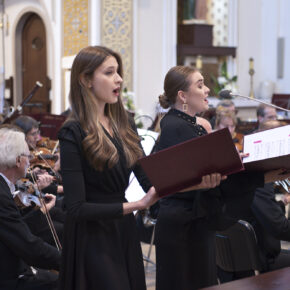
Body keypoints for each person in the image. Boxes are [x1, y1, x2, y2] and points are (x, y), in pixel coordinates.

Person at [155, 65, 290, 290]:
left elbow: (207, 173)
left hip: (192, 224)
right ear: (183, 96)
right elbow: (200, 179)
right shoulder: (178, 127)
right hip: (184, 229)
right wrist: (259, 177)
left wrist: (232, 162)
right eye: (200, 85)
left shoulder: (185, 125)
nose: (207, 90)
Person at [57, 45, 160, 290]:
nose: (119, 79)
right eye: (110, 72)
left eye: (118, 72)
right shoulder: (72, 131)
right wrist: (137, 205)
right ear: (86, 79)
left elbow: (149, 178)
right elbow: (76, 208)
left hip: (122, 231)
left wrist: (191, 179)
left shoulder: (125, 123)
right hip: (91, 239)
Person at [0, 127, 60, 290]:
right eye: (28, 156)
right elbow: (28, 246)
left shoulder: (4, 187)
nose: (30, 160)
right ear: (18, 160)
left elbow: (15, 226)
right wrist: (68, 261)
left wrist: (43, 211)